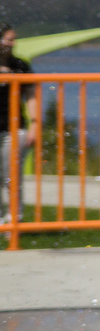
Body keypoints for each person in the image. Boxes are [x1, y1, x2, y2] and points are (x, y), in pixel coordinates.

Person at [0, 23, 38, 226]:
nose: (12, 44)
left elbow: (31, 96)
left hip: (14, 128)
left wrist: (34, 125)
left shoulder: (20, 66)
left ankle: (14, 223)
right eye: (8, 39)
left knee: (12, 177)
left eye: (14, 39)